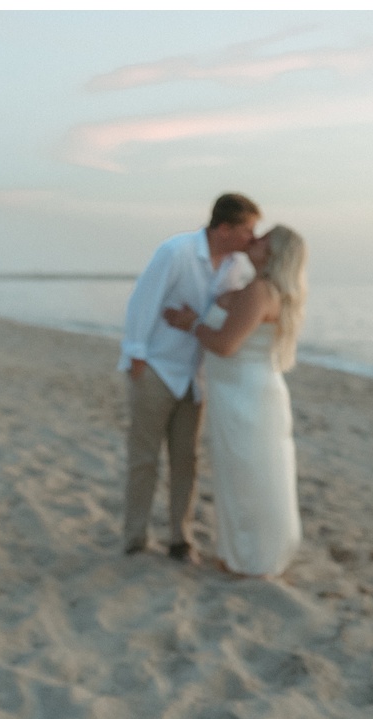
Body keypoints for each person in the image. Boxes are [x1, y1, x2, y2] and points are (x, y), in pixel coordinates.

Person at [119, 193, 261, 561]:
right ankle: (135, 537)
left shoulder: (238, 268)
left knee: (187, 460)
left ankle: (179, 538)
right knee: (144, 458)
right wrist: (135, 353)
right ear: (225, 228)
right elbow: (143, 300)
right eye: (248, 229)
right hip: (155, 366)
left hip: (194, 376)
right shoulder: (177, 251)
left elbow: (237, 311)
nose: (252, 237)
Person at [163, 225, 307, 577]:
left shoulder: (260, 291)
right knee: (244, 475)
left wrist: (190, 323)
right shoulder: (258, 289)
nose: (254, 240)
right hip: (242, 392)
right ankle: (245, 553)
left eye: (263, 241)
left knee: (250, 477)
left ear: (274, 255)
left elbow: (226, 345)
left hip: (247, 397)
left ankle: (253, 559)